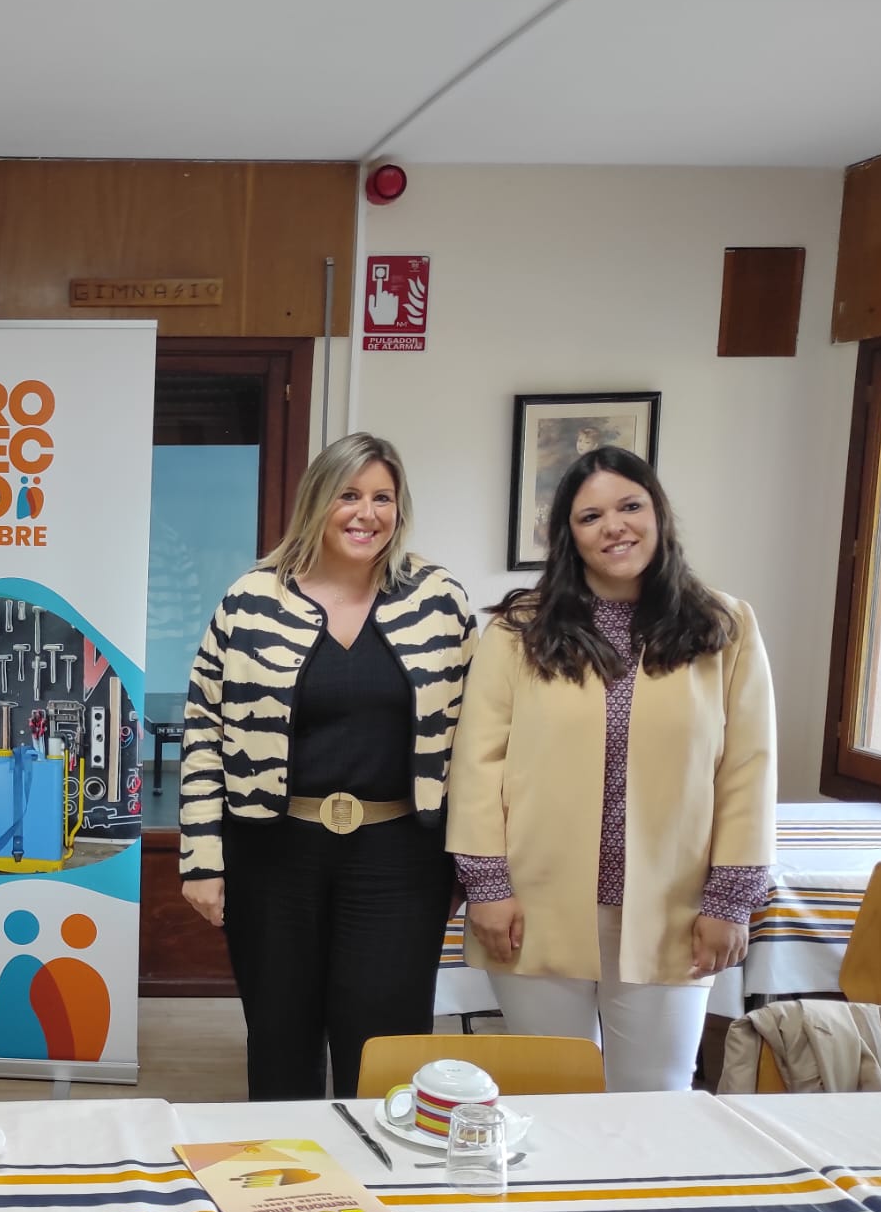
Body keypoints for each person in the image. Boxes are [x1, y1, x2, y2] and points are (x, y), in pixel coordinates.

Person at [447, 446, 775, 1092]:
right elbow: (477, 764)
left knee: (655, 1098)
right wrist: (486, 886)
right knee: (552, 1093)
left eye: (630, 506)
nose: (614, 526)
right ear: (569, 535)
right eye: (590, 516)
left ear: (659, 513)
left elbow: (748, 768)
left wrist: (731, 899)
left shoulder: (724, 626)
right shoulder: (520, 630)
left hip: (672, 908)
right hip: (532, 905)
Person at [180, 433, 475, 1100]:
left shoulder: (437, 600)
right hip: (273, 853)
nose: (366, 513)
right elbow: (204, 729)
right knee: (281, 1043)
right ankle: (289, 1193)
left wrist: (473, 858)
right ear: (318, 501)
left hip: (401, 858)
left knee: (387, 1048)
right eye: (349, 495)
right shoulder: (250, 600)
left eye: (382, 498)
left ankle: (392, 1189)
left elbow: (475, 740)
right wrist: (202, 859)